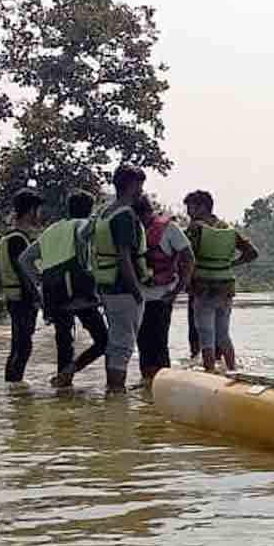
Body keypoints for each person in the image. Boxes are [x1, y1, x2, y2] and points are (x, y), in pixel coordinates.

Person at [18, 190, 108, 388]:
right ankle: (71, 371)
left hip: (52, 292)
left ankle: (63, 385)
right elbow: (83, 237)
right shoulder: (83, 224)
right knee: (104, 341)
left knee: (64, 342)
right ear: (89, 209)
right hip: (76, 287)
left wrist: (39, 280)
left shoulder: (51, 230)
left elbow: (24, 259)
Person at [184, 189, 259, 372]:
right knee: (223, 334)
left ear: (202, 207)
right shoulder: (228, 228)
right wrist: (230, 264)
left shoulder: (195, 229)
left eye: (190, 208)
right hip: (225, 287)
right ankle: (233, 370)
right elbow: (252, 253)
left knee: (205, 335)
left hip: (203, 288)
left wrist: (183, 281)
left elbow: (185, 256)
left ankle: (209, 372)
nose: (188, 213)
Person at [95, 165, 151, 392]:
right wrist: (137, 292)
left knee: (116, 343)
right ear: (130, 185)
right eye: (139, 184)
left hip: (108, 287)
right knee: (123, 346)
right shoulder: (125, 215)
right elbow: (124, 256)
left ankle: (114, 390)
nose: (141, 190)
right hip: (124, 288)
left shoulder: (105, 212)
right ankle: (116, 393)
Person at [134, 195, 194, 382]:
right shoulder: (130, 229)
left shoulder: (169, 229)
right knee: (143, 345)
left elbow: (189, 258)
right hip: (138, 297)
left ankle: (161, 387)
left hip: (162, 296)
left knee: (159, 343)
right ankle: (147, 388)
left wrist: (177, 290)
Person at [0, 189, 44, 382]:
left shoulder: (7, 237)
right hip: (22, 299)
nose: (39, 215)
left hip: (13, 297)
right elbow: (23, 273)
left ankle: (13, 390)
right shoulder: (18, 239)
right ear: (32, 211)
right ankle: (15, 387)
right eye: (38, 210)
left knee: (19, 345)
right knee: (23, 346)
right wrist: (38, 299)